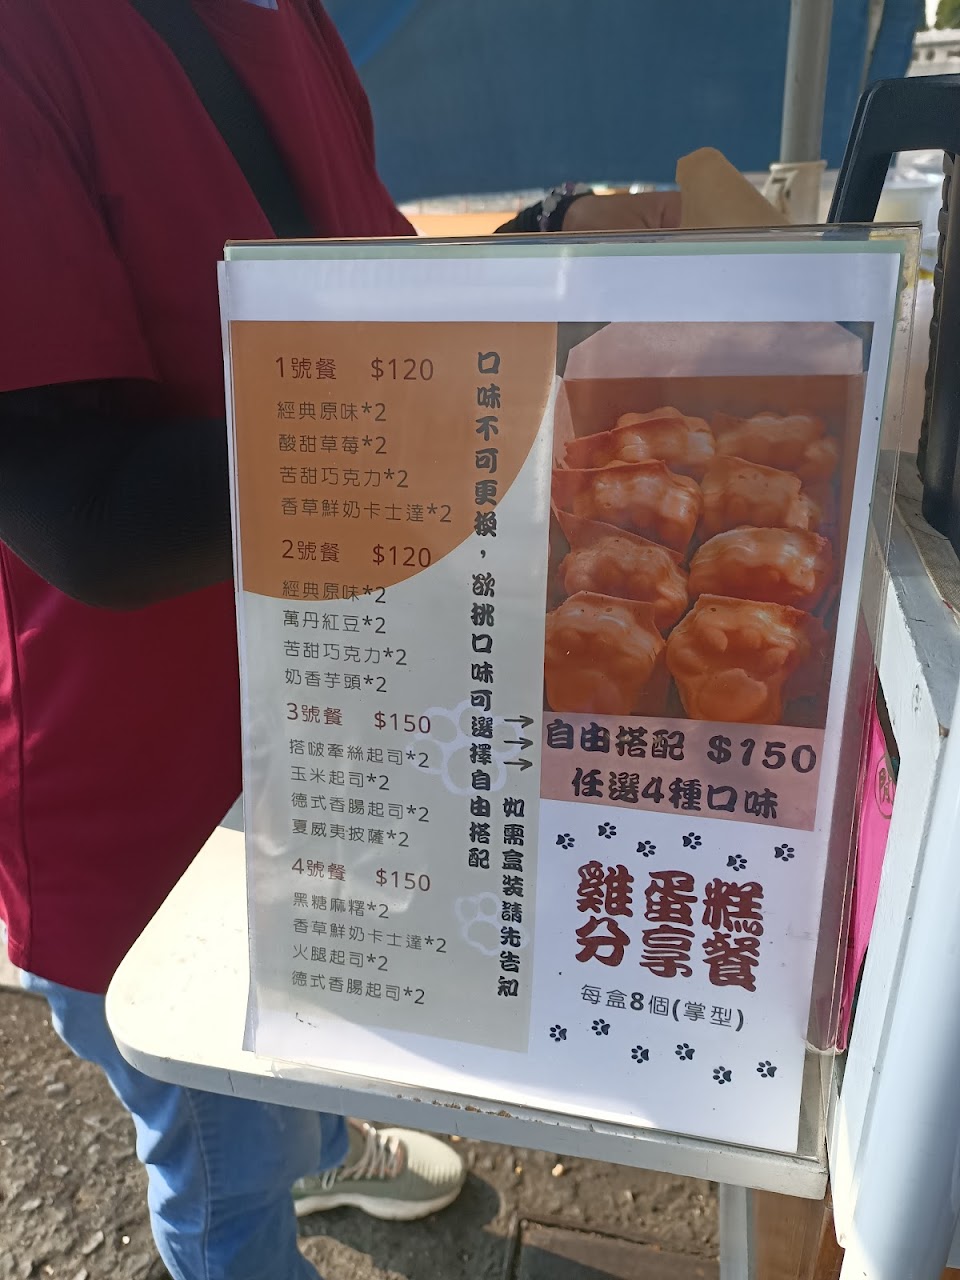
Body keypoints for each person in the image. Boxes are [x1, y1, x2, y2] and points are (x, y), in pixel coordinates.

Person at [0, 3, 680, 1278]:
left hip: (330, 721)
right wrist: (467, 404)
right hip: (136, 788)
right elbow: (86, 516)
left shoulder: (288, 17)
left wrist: (545, 243)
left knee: (309, 1024)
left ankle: (321, 1145)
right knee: (217, 1157)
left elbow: (372, 301)